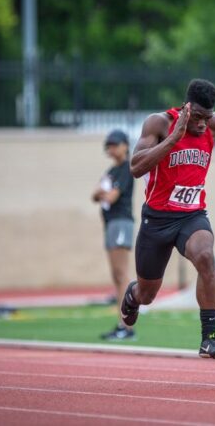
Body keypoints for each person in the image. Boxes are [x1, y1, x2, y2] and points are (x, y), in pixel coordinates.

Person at [121, 78, 215, 359]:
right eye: (197, 117)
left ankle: (208, 338)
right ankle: (133, 295)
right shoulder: (159, 124)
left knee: (206, 257)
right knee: (148, 293)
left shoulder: (213, 124)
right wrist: (173, 140)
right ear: (187, 108)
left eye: (207, 118)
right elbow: (136, 167)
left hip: (191, 216)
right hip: (158, 219)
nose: (201, 124)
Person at [92, 129, 135, 340]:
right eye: (109, 145)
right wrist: (101, 193)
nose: (112, 149)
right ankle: (122, 323)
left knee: (122, 274)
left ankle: (127, 324)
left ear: (125, 145)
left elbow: (109, 196)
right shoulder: (111, 171)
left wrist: (102, 194)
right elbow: (95, 194)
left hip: (121, 222)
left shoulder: (127, 168)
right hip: (111, 224)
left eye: (115, 144)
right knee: (116, 276)